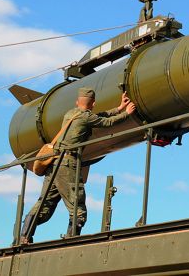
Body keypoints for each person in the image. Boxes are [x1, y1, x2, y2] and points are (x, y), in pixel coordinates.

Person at [20, 87, 136, 244]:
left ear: (77, 102)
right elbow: (106, 122)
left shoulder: (71, 114)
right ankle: (71, 240)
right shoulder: (86, 117)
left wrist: (119, 108)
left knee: (45, 204)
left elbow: (97, 117)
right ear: (93, 103)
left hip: (54, 163)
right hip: (68, 165)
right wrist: (126, 113)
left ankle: (24, 236)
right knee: (78, 209)